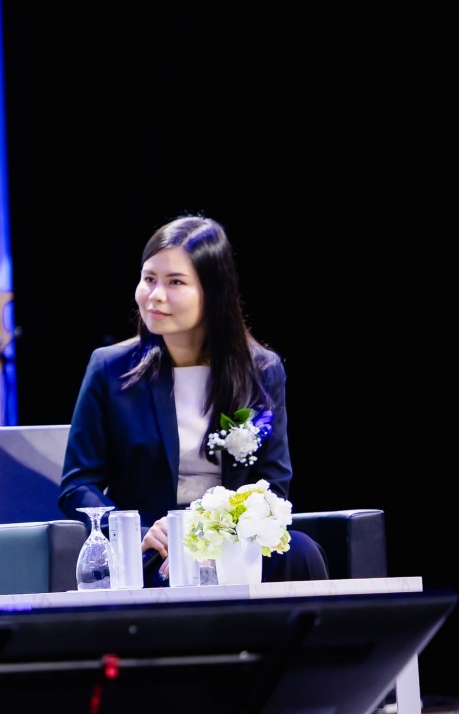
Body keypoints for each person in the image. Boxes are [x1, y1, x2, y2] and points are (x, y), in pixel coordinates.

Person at [59, 215, 326, 582]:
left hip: (234, 543)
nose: (155, 295)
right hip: (155, 547)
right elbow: (78, 486)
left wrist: (219, 540)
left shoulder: (261, 370)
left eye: (175, 282)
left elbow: (272, 484)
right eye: (149, 279)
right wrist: (135, 532)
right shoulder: (110, 368)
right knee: (173, 573)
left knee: (302, 552)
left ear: (213, 292)